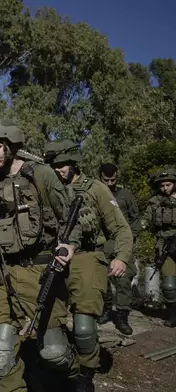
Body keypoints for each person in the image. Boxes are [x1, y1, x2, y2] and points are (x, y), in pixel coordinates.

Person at [0, 119, 79, 392]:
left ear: (11, 146)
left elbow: (71, 218)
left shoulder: (42, 175)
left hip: (39, 271)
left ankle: (76, 377)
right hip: (2, 273)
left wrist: (69, 246)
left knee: (54, 352)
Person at [44, 141, 133, 392]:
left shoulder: (96, 189)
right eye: (53, 166)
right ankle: (64, 366)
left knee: (83, 327)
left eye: (61, 165)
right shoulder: (48, 190)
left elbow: (121, 228)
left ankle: (85, 374)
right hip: (54, 259)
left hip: (87, 258)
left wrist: (121, 257)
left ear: (74, 163)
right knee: (48, 323)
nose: (57, 170)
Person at [98, 163, 141, 335]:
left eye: (112, 180)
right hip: (102, 242)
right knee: (102, 278)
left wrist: (131, 239)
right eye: (105, 180)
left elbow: (135, 219)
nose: (109, 183)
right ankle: (106, 309)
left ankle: (122, 315)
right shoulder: (96, 193)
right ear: (100, 177)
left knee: (123, 279)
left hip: (122, 242)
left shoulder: (125, 195)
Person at [140, 167, 176, 327]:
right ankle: (173, 313)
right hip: (165, 246)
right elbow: (145, 219)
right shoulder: (154, 202)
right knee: (169, 285)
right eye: (162, 186)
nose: (165, 188)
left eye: (168, 184)